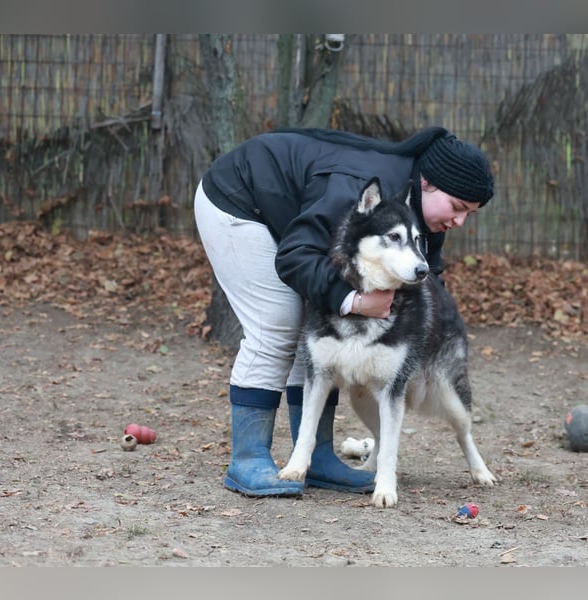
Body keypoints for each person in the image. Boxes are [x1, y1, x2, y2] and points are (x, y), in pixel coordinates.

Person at [193, 126, 494, 497]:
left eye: (470, 214)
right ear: (428, 183)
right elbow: (296, 256)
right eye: (458, 207)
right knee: (280, 324)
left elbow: (430, 283)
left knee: (315, 333)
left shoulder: (419, 213)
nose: (460, 221)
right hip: (238, 201)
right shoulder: (362, 188)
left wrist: (420, 346)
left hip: (289, 218)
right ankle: (248, 458)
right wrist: (354, 301)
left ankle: (316, 458)